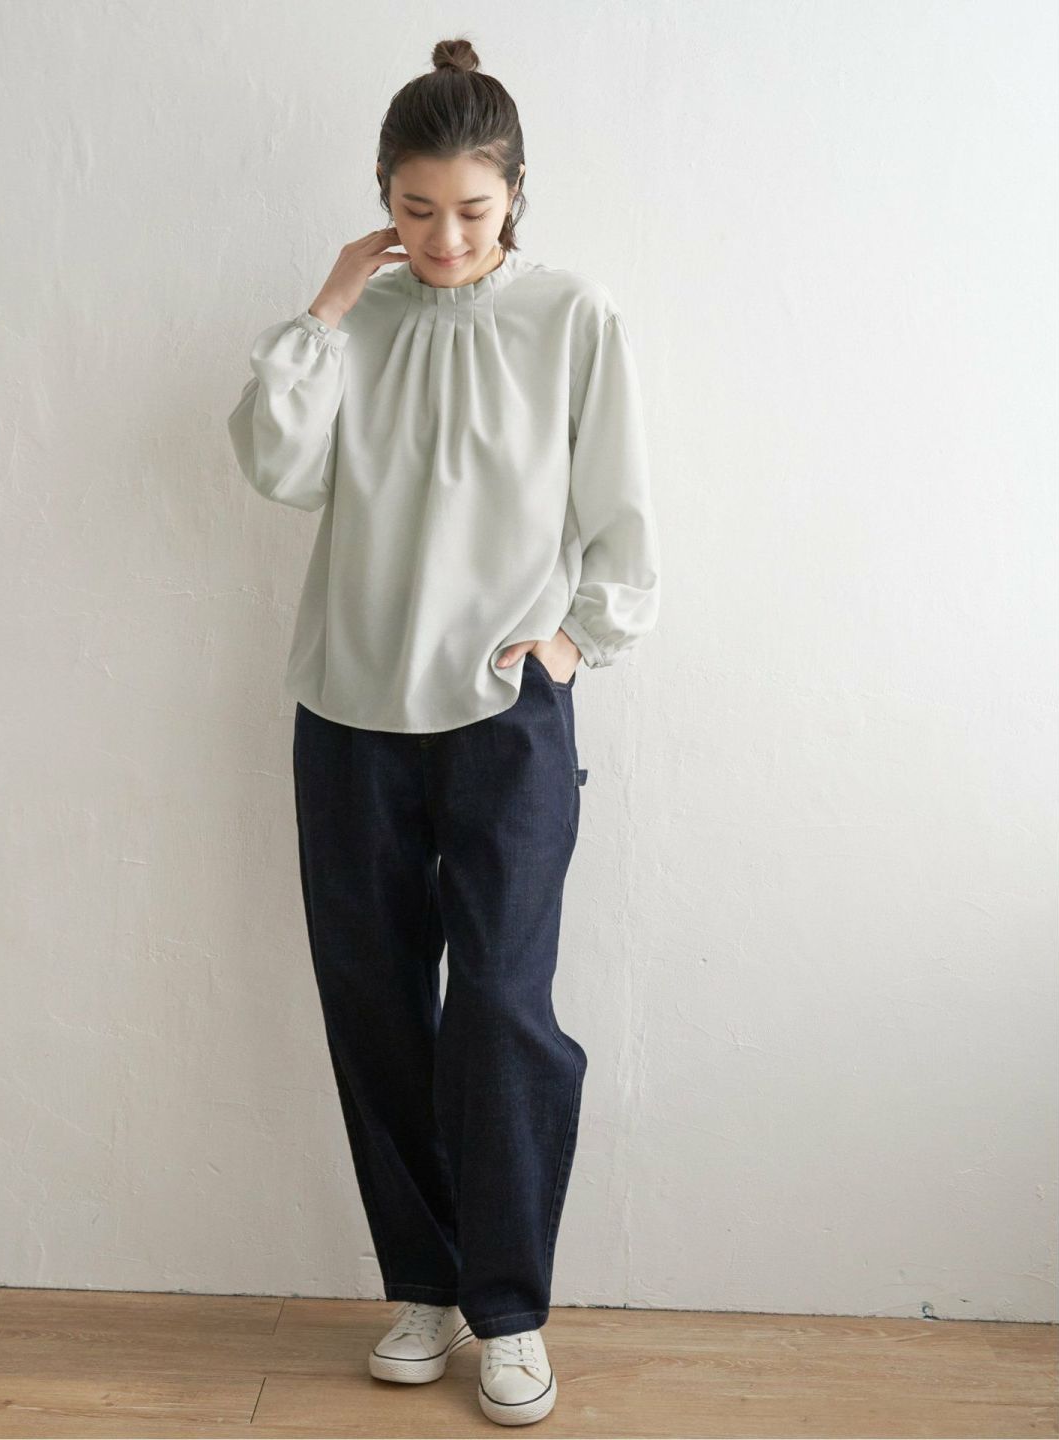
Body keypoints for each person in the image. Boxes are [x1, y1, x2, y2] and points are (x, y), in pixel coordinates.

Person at [227, 36, 660, 1428]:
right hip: (348, 710)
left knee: (502, 1009)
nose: (446, 237)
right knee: (373, 1004)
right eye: (416, 210)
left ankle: (509, 1307)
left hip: (506, 714)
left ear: (516, 192)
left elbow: (623, 516)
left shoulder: (573, 315)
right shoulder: (358, 322)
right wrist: (327, 306)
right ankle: (423, 1285)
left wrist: (575, 643)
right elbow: (276, 465)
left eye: (472, 209)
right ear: (382, 199)